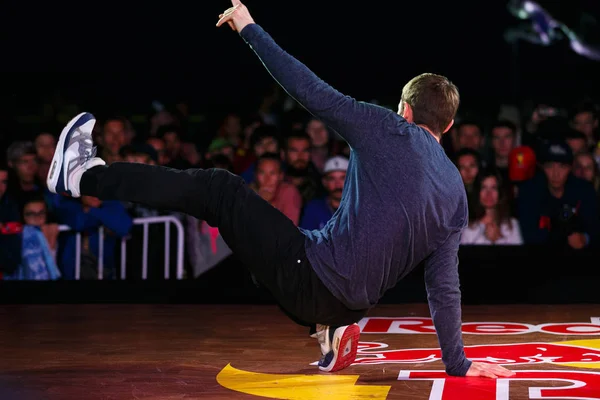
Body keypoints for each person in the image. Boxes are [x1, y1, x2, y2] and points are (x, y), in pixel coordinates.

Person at [46, 0, 514, 379]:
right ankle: (331, 329)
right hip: (346, 296)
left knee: (219, 189)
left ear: (405, 110)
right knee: (270, 235)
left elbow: (308, 89)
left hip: (311, 280)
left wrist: (250, 28)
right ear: (449, 126)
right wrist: (459, 364)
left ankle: (82, 175)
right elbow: (444, 285)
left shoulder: (387, 127)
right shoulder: (455, 189)